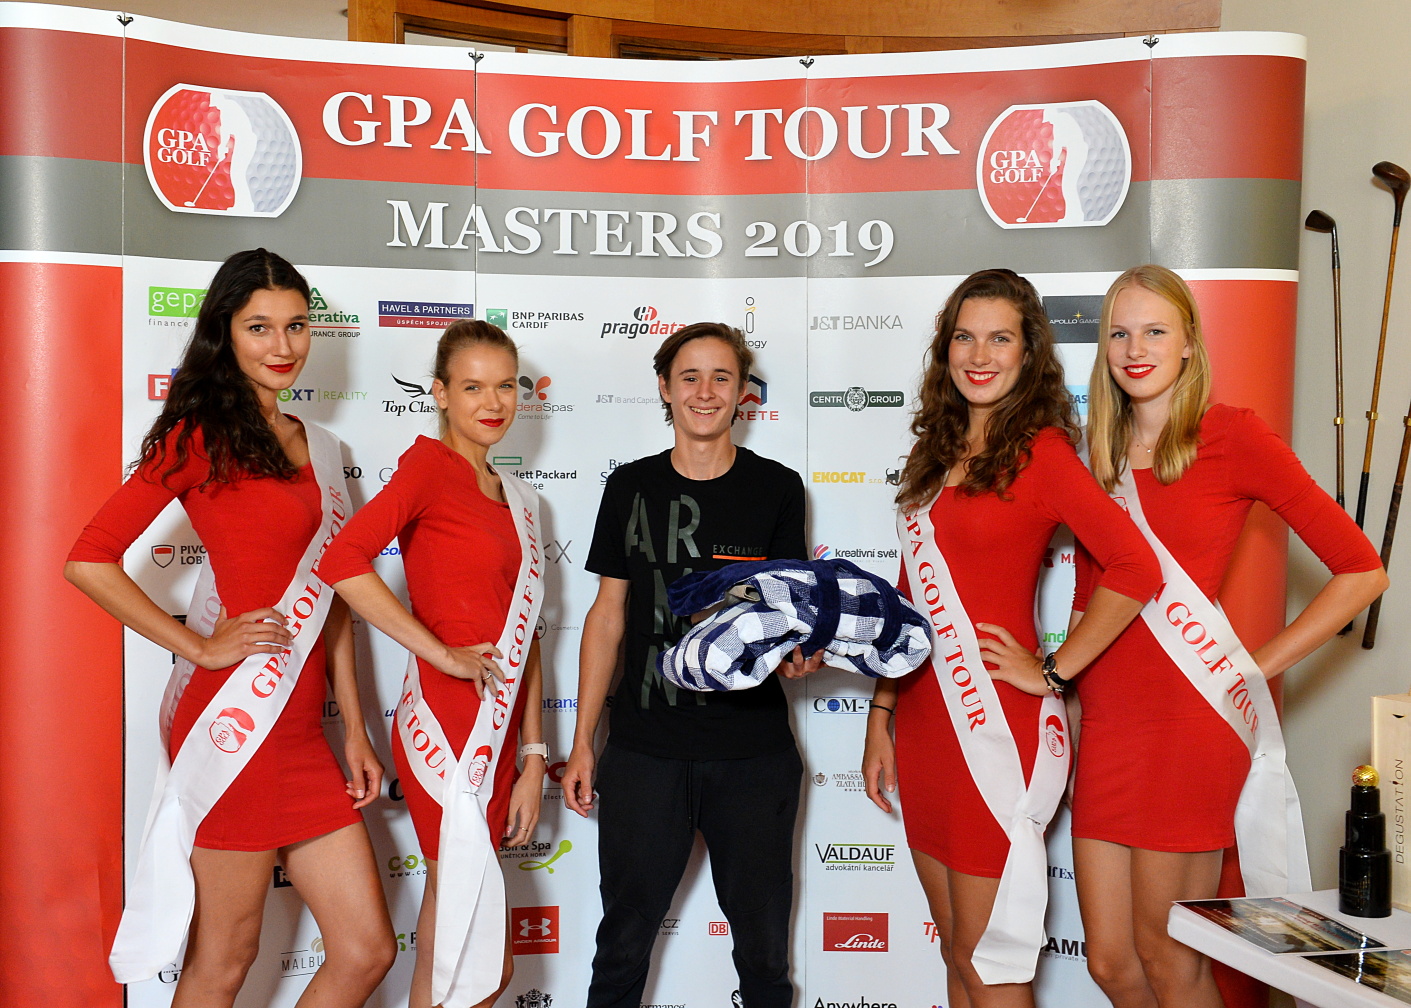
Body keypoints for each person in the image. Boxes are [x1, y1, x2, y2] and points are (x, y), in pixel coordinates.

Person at [65, 248, 395, 1005]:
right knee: (226, 956)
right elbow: (89, 560)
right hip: (233, 725)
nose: (282, 346)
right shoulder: (198, 436)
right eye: (259, 327)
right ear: (225, 331)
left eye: (296, 325)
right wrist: (199, 645)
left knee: (366, 949)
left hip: (303, 732)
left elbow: (333, 596)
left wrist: (352, 728)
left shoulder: (319, 446)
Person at [1070, 264, 1388, 1008]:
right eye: (1119, 333)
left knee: (1169, 958)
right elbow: (1092, 596)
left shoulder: (1231, 435)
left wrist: (1254, 666)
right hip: (1108, 723)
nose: (1134, 349)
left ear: (1189, 342)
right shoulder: (1098, 453)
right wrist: (1070, 705)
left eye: (1155, 331)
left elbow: (1361, 571)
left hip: (1187, 725)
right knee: (1110, 963)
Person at [862, 268, 1161, 1008]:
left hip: (995, 724)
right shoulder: (936, 451)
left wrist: (1054, 670)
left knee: (991, 961)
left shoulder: (1042, 454)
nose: (979, 355)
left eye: (1000, 338)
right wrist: (880, 714)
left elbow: (1135, 566)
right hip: (925, 724)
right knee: (956, 951)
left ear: (1028, 353)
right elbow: (907, 598)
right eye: (964, 337)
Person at [561, 322, 820, 1008]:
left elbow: (786, 614)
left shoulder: (777, 487)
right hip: (643, 751)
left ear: (742, 392)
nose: (705, 392)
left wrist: (798, 656)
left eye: (721, 377)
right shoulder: (629, 486)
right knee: (621, 948)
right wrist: (583, 740)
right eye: (690, 377)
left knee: (764, 954)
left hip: (752, 756)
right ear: (664, 388)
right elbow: (607, 616)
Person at [316, 320, 548, 1008]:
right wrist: (439, 651)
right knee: (479, 957)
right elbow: (341, 561)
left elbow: (525, 633)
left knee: (453, 938)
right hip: (446, 726)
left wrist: (534, 753)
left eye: (505, 386)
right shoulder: (427, 468)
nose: (493, 402)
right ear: (441, 393)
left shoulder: (517, 498)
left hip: (500, 729)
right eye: (472, 387)